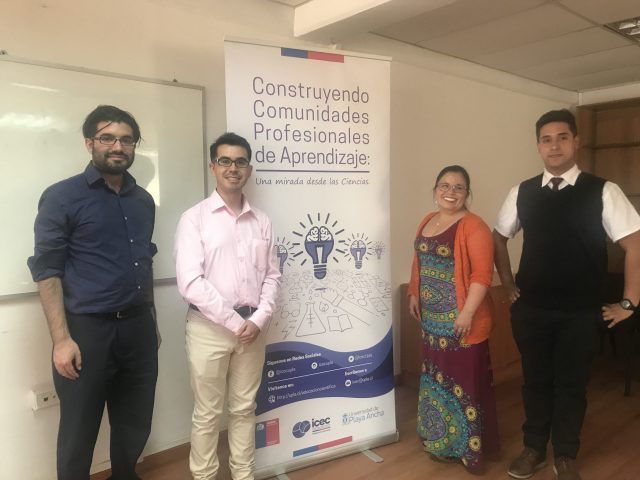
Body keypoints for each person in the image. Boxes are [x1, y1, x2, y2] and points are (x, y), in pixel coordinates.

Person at [494, 109, 640, 480]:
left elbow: (635, 244)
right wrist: (508, 284)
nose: (554, 146)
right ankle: (533, 449)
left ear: (576, 141)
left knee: (571, 386)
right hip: (532, 309)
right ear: (538, 146)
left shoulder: (603, 191)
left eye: (562, 137)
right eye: (546, 139)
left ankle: (565, 455)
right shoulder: (522, 192)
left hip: (580, 312)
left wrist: (629, 303)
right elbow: (499, 238)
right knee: (535, 382)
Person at [27, 105, 160, 480]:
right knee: (79, 430)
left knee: (135, 422)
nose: (118, 146)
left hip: (137, 327)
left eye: (127, 139)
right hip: (87, 332)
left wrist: (151, 321)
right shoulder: (61, 197)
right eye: (107, 138)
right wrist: (61, 340)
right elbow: (47, 269)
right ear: (89, 143)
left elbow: (144, 262)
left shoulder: (143, 201)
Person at [174, 132, 280, 480]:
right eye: (225, 161)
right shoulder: (194, 219)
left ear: (248, 168)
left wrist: (259, 319)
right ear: (213, 167)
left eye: (240, 161)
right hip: (209, 329)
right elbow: (191, 282)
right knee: (207, 413)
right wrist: (236, 323)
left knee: (244, 409)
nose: (233, 168)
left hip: (253, 330)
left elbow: (272, 276)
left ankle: (243, 475)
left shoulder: (262, 221)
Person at [408, 165, 500, 474]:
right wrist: (413, 293)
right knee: (437, 380)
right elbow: (418, 262)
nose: (451, 192)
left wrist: (467, 314)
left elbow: (482, 276)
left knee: (463, 386)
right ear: (435, 190)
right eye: (445, 185)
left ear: (467, 194)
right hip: (431, 324)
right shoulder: (427, 220)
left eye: (459, 187)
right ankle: (440, 441)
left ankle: (467, 451)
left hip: (462, 324)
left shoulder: (474, 226)